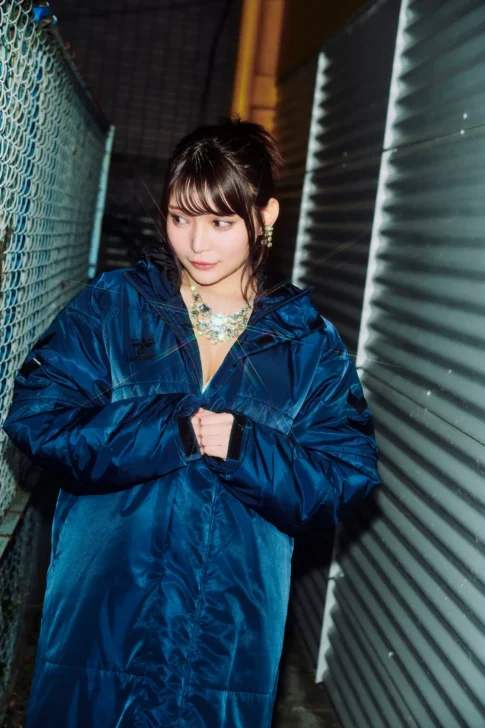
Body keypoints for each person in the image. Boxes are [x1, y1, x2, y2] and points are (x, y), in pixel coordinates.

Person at [2, 115, 380, 727]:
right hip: (102, 617)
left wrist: (247, 448)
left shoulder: (307, 345)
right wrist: (168, 429)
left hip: (224, 638)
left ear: (265, 216)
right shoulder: (115, 308)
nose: (197, 244)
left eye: (220, 222)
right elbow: (39, 415)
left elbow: (345, 474)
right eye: (180, 218)